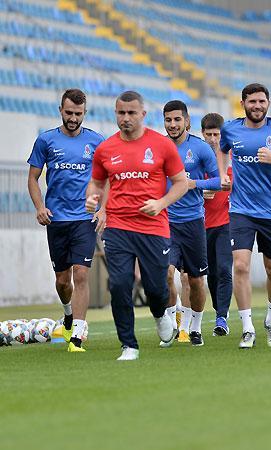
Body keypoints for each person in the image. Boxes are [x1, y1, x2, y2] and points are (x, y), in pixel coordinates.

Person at [85, 91, 188, 360]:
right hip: (118, 226)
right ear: (115, 114)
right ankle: (129, 345)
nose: (126, 118)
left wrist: (161, 203)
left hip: (153, 228)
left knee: (156, 288)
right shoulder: (105, 149)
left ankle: (160, 314)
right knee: (119, 284)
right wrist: (92, 197)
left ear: (143, 114)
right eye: (121, 113)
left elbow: (181, 183)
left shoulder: (161, 145)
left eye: (131, 113)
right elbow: (96, 182)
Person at [216, 83, 271, 349]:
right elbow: (222, 149)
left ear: (268, 103)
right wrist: (222, 174)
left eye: (261, 101)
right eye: (252, 101)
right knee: (240, 266)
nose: (257, 106)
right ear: (243, 103)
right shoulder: (230, 129)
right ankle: (247, 328)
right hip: (241, 209)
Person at [27, 88, 104, 352]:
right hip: (56, 220)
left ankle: (77, 335)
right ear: (61, 110)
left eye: (78, 114)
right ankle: (68, 313)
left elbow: (107, 179)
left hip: (84, 218)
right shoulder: (45, 140)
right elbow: (32, 178)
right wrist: (40, 207)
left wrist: (103, 209)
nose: (73, 118)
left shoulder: (96, 141)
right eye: (69, 113)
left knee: (81, 273)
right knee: (63, 280)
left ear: (85, 112)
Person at [161, 100, 220, 347]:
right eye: (168, 120)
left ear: (186, 121)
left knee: (195, 280)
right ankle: (172, 321)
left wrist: (194, 183)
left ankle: (194, 327)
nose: (173, 124)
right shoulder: (159, 147)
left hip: (193, 222)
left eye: (177, 119)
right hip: (165, 222)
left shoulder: (200, 148)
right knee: (165, 274)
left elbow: (217, 181)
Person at [201, 113, 233, 336]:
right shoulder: (197, 159)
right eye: (209, 134)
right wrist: (199, 191)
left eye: (217, 134)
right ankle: (218, 309)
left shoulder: (232, 159)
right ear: (203, 134)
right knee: (210, 273)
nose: (213, 139)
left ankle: (222, 317)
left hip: (226, 223)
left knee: (224, 269)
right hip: (200, 224)